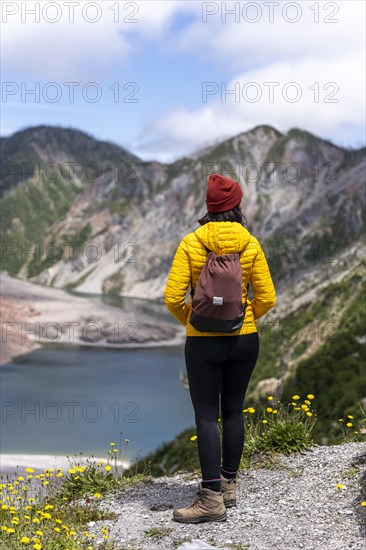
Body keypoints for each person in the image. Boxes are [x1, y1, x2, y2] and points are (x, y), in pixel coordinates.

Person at [164, 173, 276, 523]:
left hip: (203, 344)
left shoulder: (192, 242)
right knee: (233, 411)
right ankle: (229, 486)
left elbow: (172, 297)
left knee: (206, 415)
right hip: (245, 340)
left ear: (209, 207)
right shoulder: (251, 244)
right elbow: (268, 298)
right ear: (237, 206)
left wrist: (193, 322)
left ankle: (210, 498)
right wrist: (243, 318)